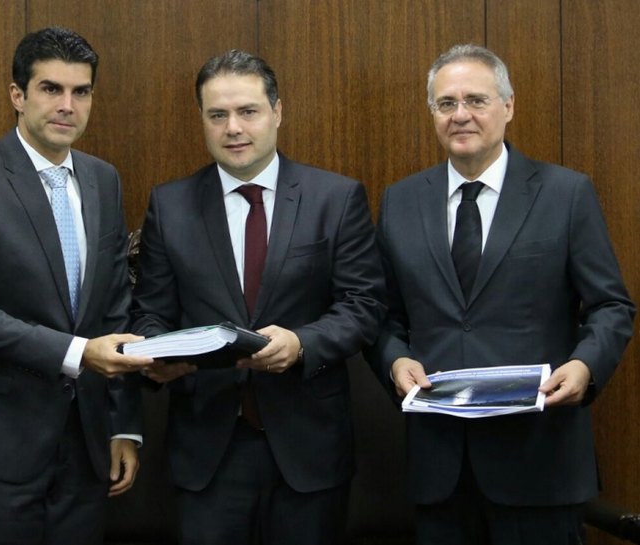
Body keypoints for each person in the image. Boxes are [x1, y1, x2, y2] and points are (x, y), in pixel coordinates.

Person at [371, 43, 635, 544]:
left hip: (540, 461)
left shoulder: (565, 193)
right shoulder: (400, 200)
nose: (461, 115)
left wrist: (585, 367)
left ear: (508, 106)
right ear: (432, 113)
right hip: (440, 469)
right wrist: (393, 359)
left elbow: (610, 306)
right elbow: (384, 315)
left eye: (477, 100)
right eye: (446, 103)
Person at [130, 49, 385, 545]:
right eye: (217, 115)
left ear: (277, 112)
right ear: (202, 120)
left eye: (248, 111)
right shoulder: (170, 204)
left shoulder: (336, 198)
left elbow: (364, 305)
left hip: (308, 448)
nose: (233, 128)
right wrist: (154, 356)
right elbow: (151, 311)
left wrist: (303, 343)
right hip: (207, 451)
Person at [0, 27, 152, 545]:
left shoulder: (104, 179)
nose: (67, 105)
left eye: (81, 91)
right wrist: (79, 353)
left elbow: (116, 305)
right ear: (18, 95)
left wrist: (124, 424)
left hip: (89, 446)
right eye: (51, 89)